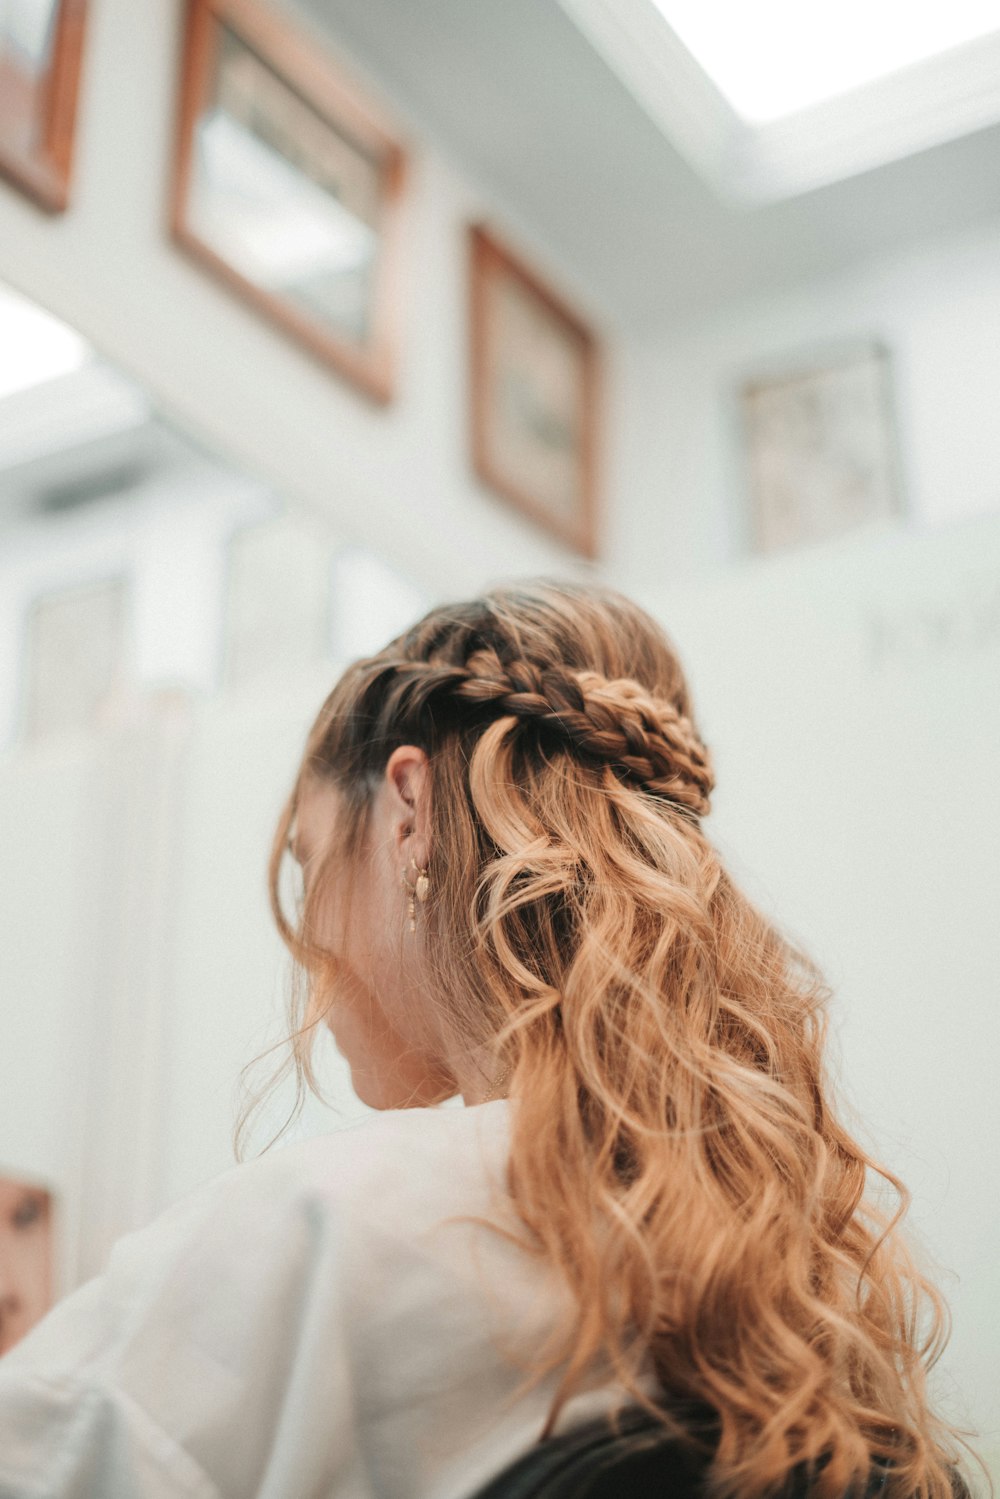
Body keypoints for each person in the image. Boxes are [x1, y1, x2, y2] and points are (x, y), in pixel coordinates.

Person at [0, 579, 979, 1499]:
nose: (310, 937)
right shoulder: (809, 1279)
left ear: (409, 809)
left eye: (310, 861)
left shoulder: (323, 1231)